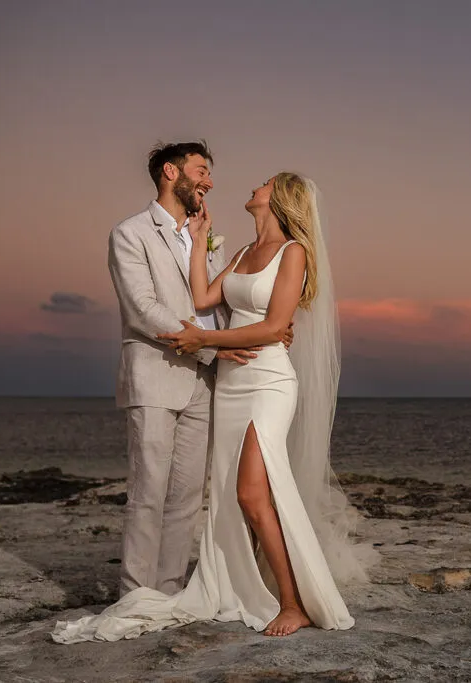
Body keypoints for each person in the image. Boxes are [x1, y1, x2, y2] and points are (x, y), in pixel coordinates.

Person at [53, 171, 365, 644]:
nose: (253, 187)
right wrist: (199, 241)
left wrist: (205, 339)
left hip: (268, 383)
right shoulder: (240, 252)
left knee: (252, 491)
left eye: (264, 183)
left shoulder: (292, 252)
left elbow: (273, 327)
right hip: (231, 383)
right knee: (231, 492)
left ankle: (294, 603)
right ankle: (253, 585)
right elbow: (202, 298)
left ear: (279, 198)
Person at [104, 141, 282, 599]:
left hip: (207, 381)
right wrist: (209, 349)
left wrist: (264, 330)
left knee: (185, 497)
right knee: (148, 493)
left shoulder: (209, 238)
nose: (209, 181)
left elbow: (222, 303)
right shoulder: (130, 233)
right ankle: (134, 595)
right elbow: (143, 309)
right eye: (201, 170)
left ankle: (168, 591)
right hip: (156, 376)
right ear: (171, 172)